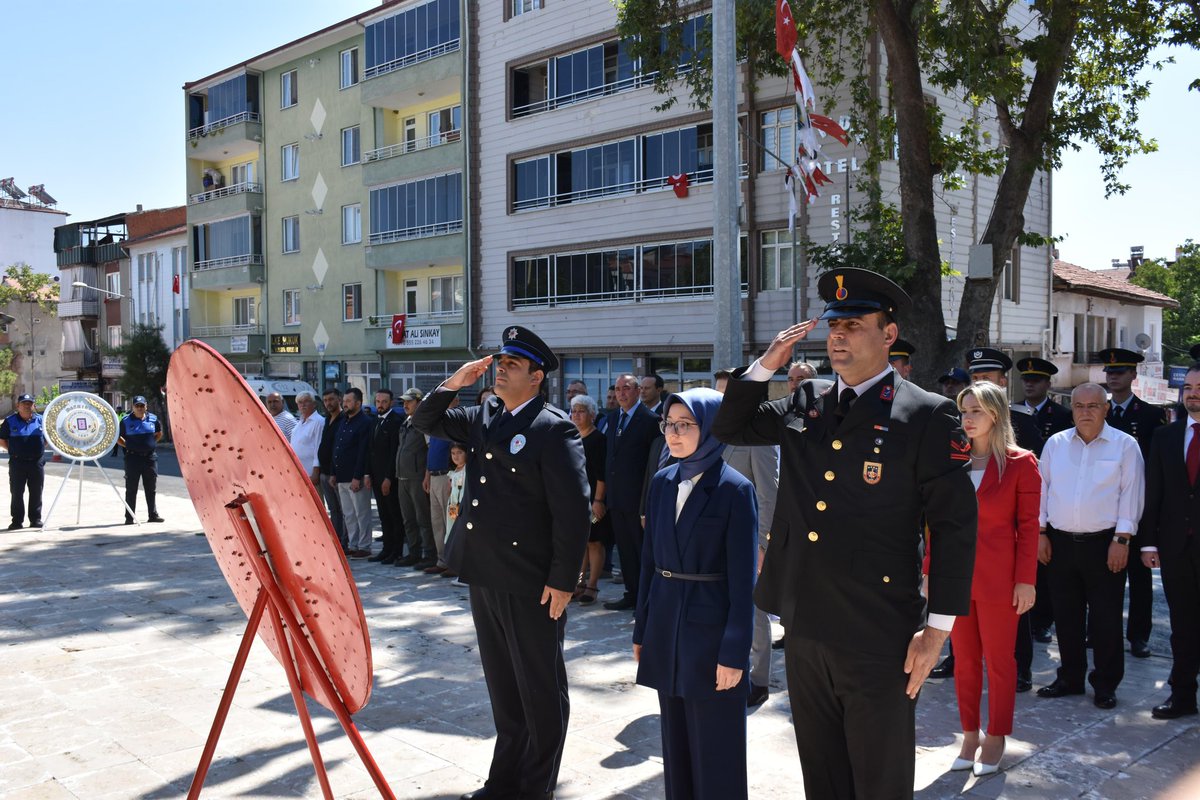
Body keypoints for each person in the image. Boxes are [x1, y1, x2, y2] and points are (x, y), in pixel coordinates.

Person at [713, 268, 977, 800]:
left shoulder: (927, 414)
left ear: (888, 334)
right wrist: (767, 364)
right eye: (834, 326)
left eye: (854, 325)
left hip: (877, 626)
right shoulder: (808, 399)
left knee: (879, 777)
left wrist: (937, 631)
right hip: (806, 617)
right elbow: (731, 427)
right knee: (822, 770)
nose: (838, 336)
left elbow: (954, 529)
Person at [410, 325, 590, 800]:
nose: (501, 369)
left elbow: (573, 512)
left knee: (540, 691)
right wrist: (455, 382)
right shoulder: (484, 414)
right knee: (505, 689)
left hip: (530, 580)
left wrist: (563, 580)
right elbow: (426, 420)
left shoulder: (553, 428)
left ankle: (535, 788)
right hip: (484, 571)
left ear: (536, 376)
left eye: (512, 364)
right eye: (500, 362)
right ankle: (503, 782)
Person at [633, 388, 758, 800]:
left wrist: (734, 653)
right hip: (666, 625)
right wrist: (642, 629)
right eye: (669, 424)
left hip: (710, 633)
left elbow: (743, 582)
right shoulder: (662, 481)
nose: (673, 433)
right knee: (676, 746)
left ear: (710, 428)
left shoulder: (735, 489)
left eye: (685, 425)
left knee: (716, 749)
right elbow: (648, 562)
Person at [941, 382, 1040, 777]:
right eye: (964, 411)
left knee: (999, 662)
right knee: (964, 661)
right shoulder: (952, 460)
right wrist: (930, 570)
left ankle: (996, 735)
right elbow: (939, 522)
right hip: (956, 578)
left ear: (995, 414)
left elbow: (1029, 528)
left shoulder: (1021, 463)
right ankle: (969, 734)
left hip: (1000, 581)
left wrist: (1026, 580)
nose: (967, 418)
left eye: (976, 411)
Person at [1036, 383, 1144, 709]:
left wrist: (1122, 540)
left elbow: (1132, 496)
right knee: (1066, 616)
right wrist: (1040, 533)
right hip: (1060, 543)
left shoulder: (1125, 446)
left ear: (1106, 409)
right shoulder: (1055, 444)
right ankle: (1070, 677)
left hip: (1104, 544)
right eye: (1079, 406)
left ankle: (1106, 684)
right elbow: (1041, 491)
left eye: (1093, 406)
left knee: (1105, 619)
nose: (1085, 412)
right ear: (1072, 409)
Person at [1137, 362, 1200, 719]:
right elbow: (1154, 492)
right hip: (1177, 549)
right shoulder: (1166, 436)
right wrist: (1149, 543)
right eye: (1188, 387)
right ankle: (1182, 696)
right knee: (1183, 627)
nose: (1192, 394)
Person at [714, 368, 780, 707]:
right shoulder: (711, 431)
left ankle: (759, 679)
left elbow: (770, 495)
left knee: (754, 611)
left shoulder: (759, 437)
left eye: (727, 395)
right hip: (715, 538)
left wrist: (763, 544)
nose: (722, 401)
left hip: (747, 540)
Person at [1100, 347, 1167, 660]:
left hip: (1138, 507)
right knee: (1103, 578)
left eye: (1120, 372)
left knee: (1139, 579)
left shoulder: (1151, 415)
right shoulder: (1099, 411)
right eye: (1109, 372)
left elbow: (1155, 466)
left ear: (1133, 375)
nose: (1113, 377)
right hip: (1104, 506)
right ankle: (1100, 632)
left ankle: (1138, 636)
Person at [1016, 356, 1072, 644]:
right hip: (1017, 493)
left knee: (1045, 564)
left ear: (1048, 384)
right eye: (1026, 379)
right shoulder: (1011, 411)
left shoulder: (1062, 416)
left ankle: (1042, 621)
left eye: (1036, 380)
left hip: (1050, 494)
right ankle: (1023, 617)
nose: (1030, 384)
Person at [603, 373, 660, 611]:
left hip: (638, 500)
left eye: (626, 388)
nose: (621, 393)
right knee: (625, 550)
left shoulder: (650, 420)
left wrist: (647, 503)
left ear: (638, 391)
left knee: (641, 551)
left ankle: (645, 599)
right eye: (618, 389)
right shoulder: (613, 418)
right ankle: (631, 593)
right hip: (616, 498)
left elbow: (653, 464)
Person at [569, 394, 610, 606]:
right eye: (574, 411)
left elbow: (602, 475)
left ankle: (592, 586)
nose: (576, 415)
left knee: (594, 541)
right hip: (576, 501)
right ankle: (579, 583)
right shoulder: (572, 438)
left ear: (592, 415)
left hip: (594, 501)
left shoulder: (599, 440)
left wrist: (598, 500)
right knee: (580, 542)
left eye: (581, 411)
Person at [330, 387, 373, 559]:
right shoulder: (344, 421)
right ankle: (353, 544)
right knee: (348, 514)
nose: (345, 404)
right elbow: (337, 447)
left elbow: (363, 451)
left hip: (355, 477)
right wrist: (333, 472)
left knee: (361, 513)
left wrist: (358, 476)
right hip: (341, 476)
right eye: (344, 401)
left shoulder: (365, 422)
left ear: (358, 403)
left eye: (348, 401)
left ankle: (364, 545)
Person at [396, 388, 436, 570]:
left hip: (418, 478)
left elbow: (430, 449)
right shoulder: (405, 423)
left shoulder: (423, 423)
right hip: (402, 477)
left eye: (409, 401)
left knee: (423, 518)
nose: (405, 404)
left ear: (419, 403)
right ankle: (414, 553)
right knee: (408, 518)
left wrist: (427, 475)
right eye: (404, 401)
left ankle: (429, 554)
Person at [365, 389, 404, 565]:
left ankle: (396, 551)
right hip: (375, 476)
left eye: (384, 402)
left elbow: (394, 452)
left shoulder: (396, 421)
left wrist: (388, 477)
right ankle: (386, 549)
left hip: (390, 478)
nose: (380, 405)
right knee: (383, 515)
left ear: (391, 402)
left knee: (394, 515)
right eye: (378, 401)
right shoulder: (375, 421)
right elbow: (370, 450)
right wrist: (367, 474)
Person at [118, 396, 164, 525]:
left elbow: (159, 433)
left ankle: (153, 515)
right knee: (131, 489)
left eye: (142, 406)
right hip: (133, 458)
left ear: (146, 406)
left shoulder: (153, 419)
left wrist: (150, 444)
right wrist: (128, 445)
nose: (139, 408)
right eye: (137, 406)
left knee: (151, 488)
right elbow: (118, 438)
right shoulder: (126, 421)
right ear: (132, 407)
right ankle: (129, 517)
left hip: (150, 458)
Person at [1, 394, 45, 530]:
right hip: (17, 463)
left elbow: (47, 439)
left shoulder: (41, 420)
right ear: (17, 406)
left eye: (29, 403)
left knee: (36, 492)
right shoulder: (9, 421)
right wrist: (13, 451)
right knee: (17, 492)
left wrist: (39, 449)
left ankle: (35, 519)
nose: (27, 406)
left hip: (36, 463)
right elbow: (2, 439)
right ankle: (17, 521)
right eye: (24, 403)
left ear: (34, 406)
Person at [426, 400, 458, 575]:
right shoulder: (435, 423)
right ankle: (442, 560)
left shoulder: (456, 423)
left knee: (451, 521)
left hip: (448, 477)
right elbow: (430, 451)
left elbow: (459, 452)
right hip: (434, 477)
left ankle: (454, 563)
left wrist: (454, 476)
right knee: (437, 521)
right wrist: (427, 475)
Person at [317, 388, 347, 550]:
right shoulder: (327, 419)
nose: (328, 403)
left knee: (344, 509)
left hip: (336, 474)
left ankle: (345, 541)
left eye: (331, 399)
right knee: (333, 509)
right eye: (326, 400)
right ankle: (336, 540)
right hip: (324, 472)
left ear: (339, 399)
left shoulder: (344, 419)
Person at [442, 440, 468, 582]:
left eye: (459, 453)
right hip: (453, 509)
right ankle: (456, 569)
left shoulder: (466, 471)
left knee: (461, 538)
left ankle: (464, 573)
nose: (456, 456)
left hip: (461, 509)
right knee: (452, 535)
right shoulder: (454, 471)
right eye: (453, 453)